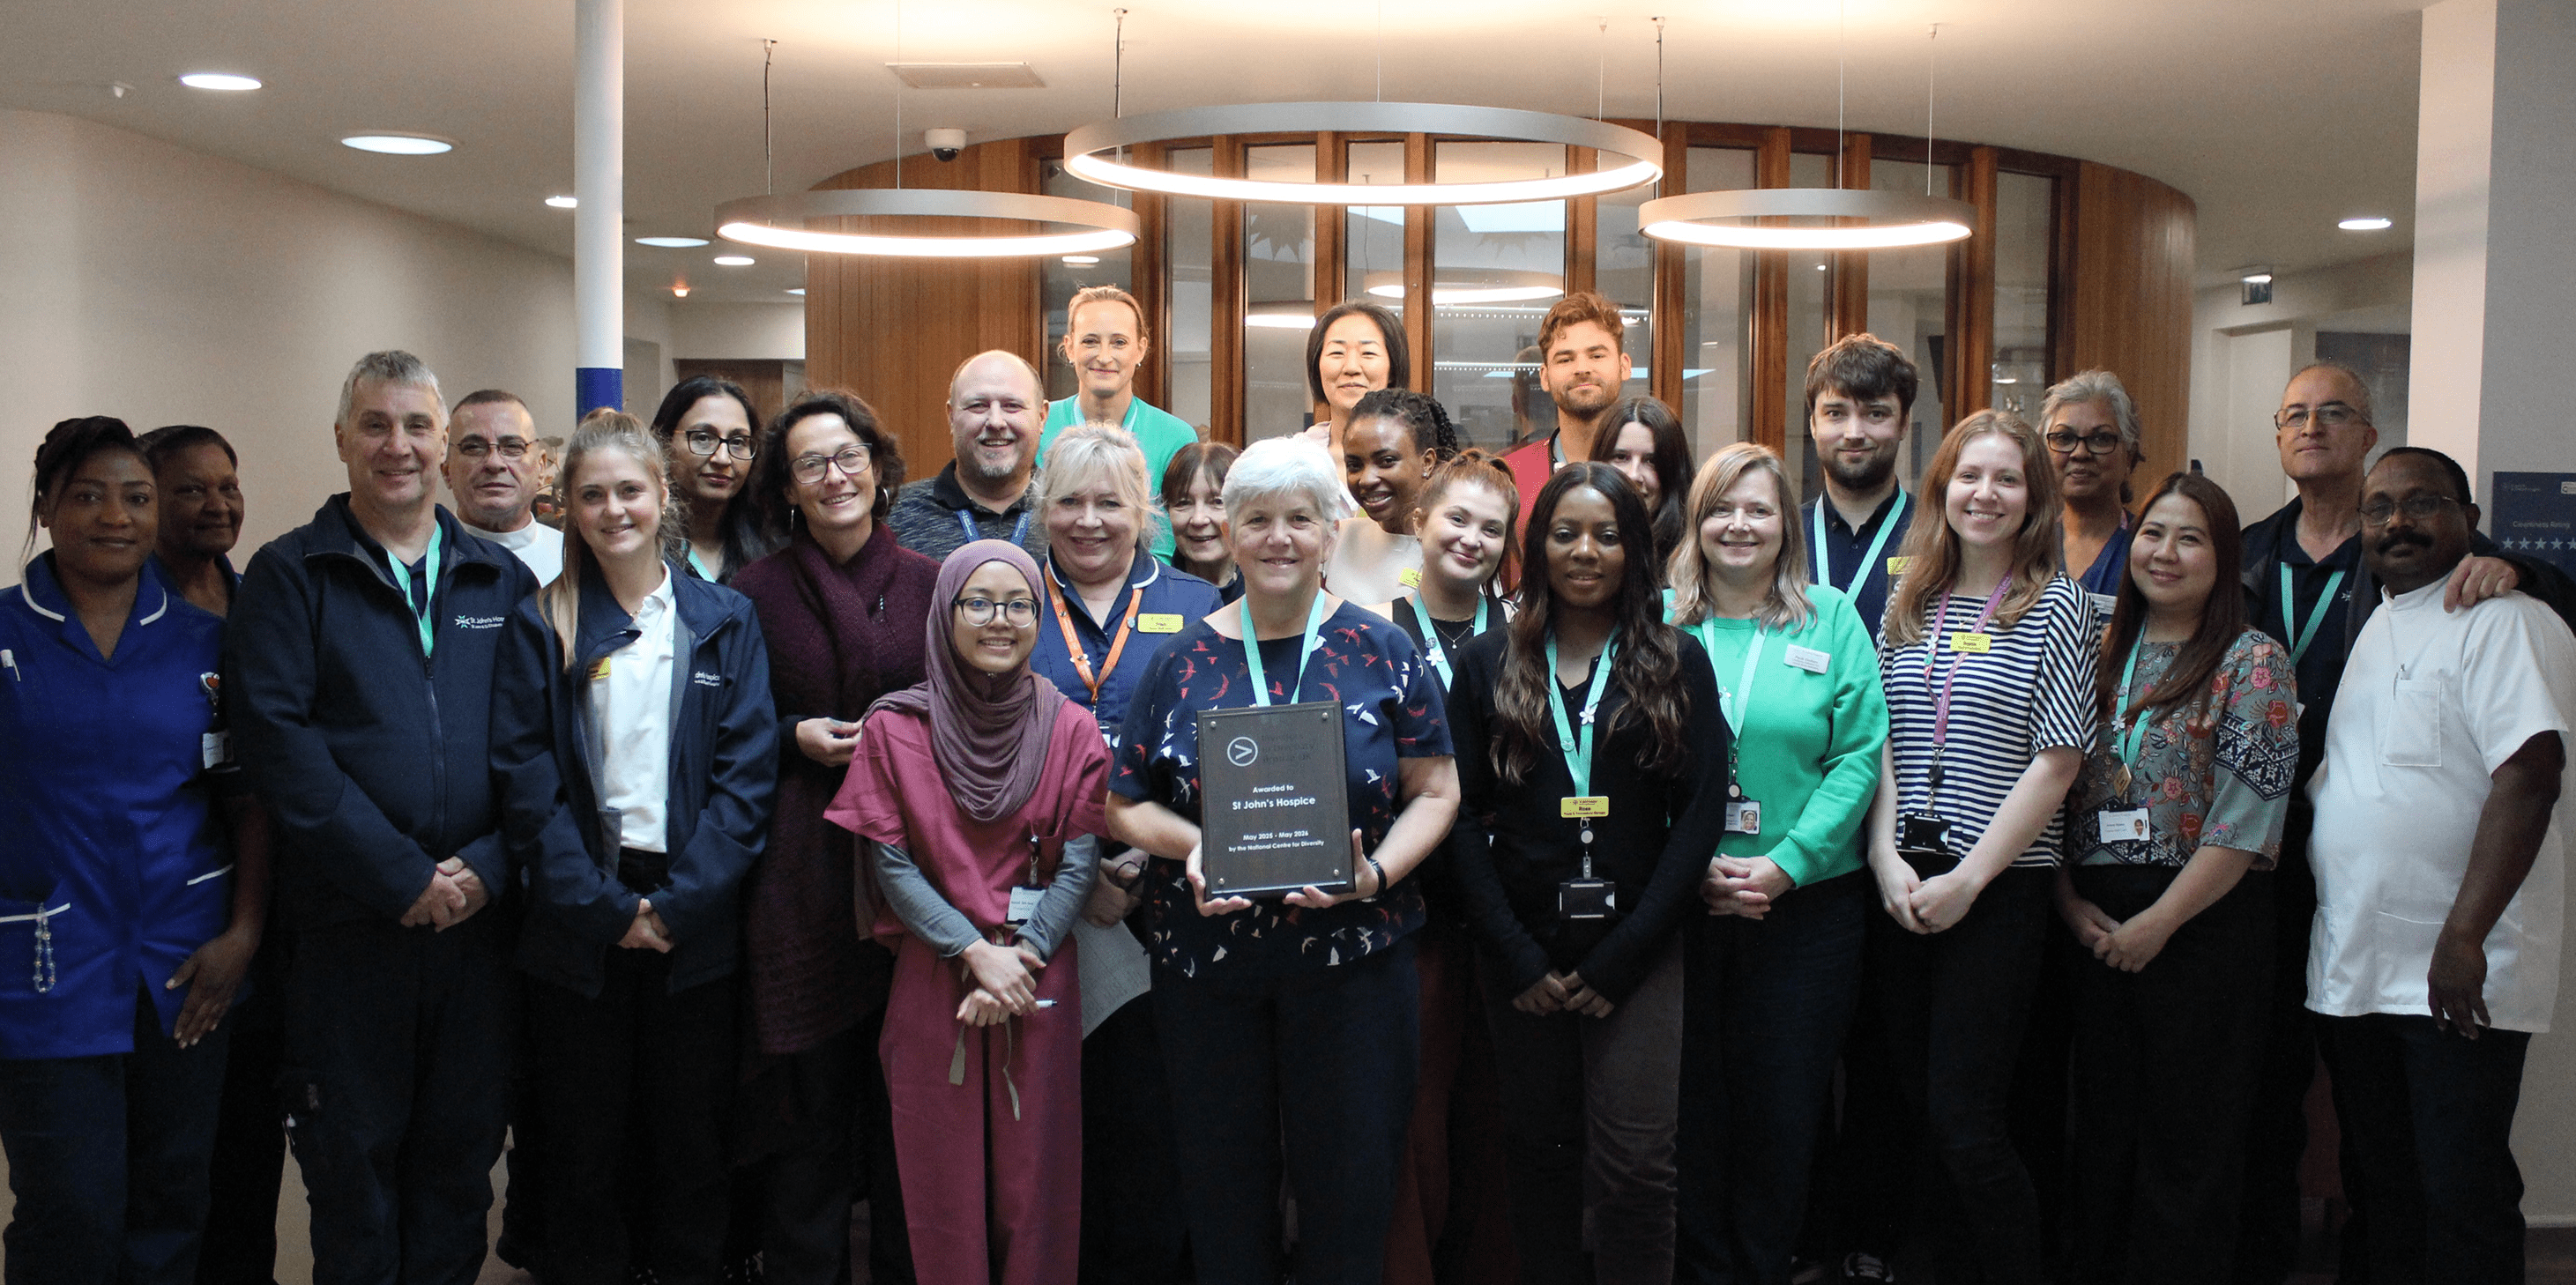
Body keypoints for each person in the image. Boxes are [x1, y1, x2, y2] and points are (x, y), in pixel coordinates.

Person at [2229, 362, 2574, 1282]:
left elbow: (2532, 777)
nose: (2397, 524)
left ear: (2469, 521)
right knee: (2383, 1178)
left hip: (2454, 963)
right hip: (2358, 958)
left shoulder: (2502, 615)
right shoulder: (2379, 614)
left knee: (2459, 1186)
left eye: (2423, 505)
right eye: (2382, 511)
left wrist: (2465, 936)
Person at [1105, 437, 1460, 1285]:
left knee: (1350, 1199)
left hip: (1354, 970)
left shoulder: (1384, 650)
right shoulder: (1179, 657)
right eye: (1256, 519)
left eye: (1300, 518)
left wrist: (1373, 874)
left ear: (1332, 530)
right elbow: (1120, 802)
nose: (1278, 538)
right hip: (1208, 973)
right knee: (1225, 1198)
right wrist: (1200, 846)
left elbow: (1438, 792)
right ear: (1226, 532)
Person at [227, 351, 539, 1282]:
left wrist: (487, 867)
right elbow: (281, 748)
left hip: (479, 941)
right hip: (346, 937)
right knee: (352, 1182)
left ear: (441, 442)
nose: (396, 446)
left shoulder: (500, 582)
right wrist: (400, 877)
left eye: (414, 426)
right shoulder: (289, 578)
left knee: (457, 1177)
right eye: (375, 425)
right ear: (341, 441)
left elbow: (536, 749)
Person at [488, 409, 778, 1285]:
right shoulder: (542, 623)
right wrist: (607, 912)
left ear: (663, 498)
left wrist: (678, 906)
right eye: (592, 496)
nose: (614, 509)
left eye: (629, 491)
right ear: (567, 509)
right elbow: (525, 782)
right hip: (580, 925)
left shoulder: (726, 620)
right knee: (583, 1150)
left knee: (691, 1145)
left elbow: (747, 778)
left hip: (695, 923)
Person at [0, 417, 265, 1284]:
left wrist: (243, 935)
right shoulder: (8, 639)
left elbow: (247, 797)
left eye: (136, 497)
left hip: (187, 966)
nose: (115, 516)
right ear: (44, 509)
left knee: (172, 1202)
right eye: (88, 495)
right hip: (45, 969)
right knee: (67, 1210)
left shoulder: (203, 644)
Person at [1442, 463, 1722, 1285]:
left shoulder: (1677, 659)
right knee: (1538, 1156)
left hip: (1639, 951)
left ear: (1636, 549)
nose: (1585, 552)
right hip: (1519, 954)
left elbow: (1700, 817)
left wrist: (1624, 957)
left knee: (1638, 1170)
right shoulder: (1488, 661)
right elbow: (1453, 815)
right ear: (1537, 547)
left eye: (1607, 535)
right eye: (1565, 533)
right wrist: (1516, 957)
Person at [825, 540, 1114, 1285]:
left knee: (1038, 1183)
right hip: (935, 976)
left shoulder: (1071, 728)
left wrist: (1018, 957)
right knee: (937, 1182)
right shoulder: (894, 728)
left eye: (1018, 604)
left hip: (1036, 975)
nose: (1000, 620)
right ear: (944, 612)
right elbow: (889, 864)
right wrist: (971, 952)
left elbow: (1078, 860)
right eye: (978, 603)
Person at [1864, 408, 2097, 1285]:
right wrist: (1887, 856)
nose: (1985, 494)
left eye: (2006, 478)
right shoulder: (1909, 599)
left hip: (1994, 887)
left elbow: (2057, 760)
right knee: (1918, 1108)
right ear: (1943, 487)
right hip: (1900, 880)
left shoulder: (2058, 604)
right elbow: (1877, 737)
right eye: (1970, 476)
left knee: (1970, 1121)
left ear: (2032, 496)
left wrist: (1968, 878)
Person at [2051, 472, 2296, 1282]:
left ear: (2224, 558)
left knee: (2190, 1136)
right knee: (2101, 1127)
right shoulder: (2091, 646)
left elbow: (2245, 819)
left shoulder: (2252, 660)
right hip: (2090, 919)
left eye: (2191, 538)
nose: (2165, 553)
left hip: (2203, 923)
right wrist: (2069, 902)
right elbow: (2047, 787)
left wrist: (2159, 924)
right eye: (2154, 533)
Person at [729, 390, 939, 1285]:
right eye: (810, 463)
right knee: (809, 1120)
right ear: (785, 488)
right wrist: (793, 737)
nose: (834, 476)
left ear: (879, 467)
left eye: (847, 456)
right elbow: (724, 731)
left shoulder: (936, 583)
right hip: (801, 875)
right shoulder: (751, 595)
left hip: (918, 871)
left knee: (906, 1116)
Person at [1667, 443, 1890, 1285]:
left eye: (1760, 509)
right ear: (1698, 521)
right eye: (1722, 507)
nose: (1740, 524)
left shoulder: (1829, 618)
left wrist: (1788, 863)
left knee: (1782, 1108)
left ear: (1783, 525)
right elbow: (1632, 762)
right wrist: (1693, 869)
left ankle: (1764, 1266)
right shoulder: (1659, 619)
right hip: (1687, 905)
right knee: (1695, 1106)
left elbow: (1861, 756)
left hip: (1806, 910)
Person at [1026, 424, 1217, 1285]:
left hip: (1173, 902)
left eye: (1111, 502)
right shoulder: (1009, 597)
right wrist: (1075, 870)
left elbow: (1223, 754)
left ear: (1146, 512)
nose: (1090, 520)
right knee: (1062, 1127)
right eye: (1070, 500)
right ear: (1042, 508)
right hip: (1040, 898)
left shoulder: (1203, 604)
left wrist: (1143, 861)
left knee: (1158, 1124)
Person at [1790, 331, 1924, 1285]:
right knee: (1797, 1058)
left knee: (1888, 1050)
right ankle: (1804, 1234)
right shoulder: (1775, 531)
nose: (1856, 429)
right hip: (1795, 828)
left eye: (1876, 413)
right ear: (1811, 423)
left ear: (1905, 426)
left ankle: (1878, 1236)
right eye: (1838, 411)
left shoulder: (1939, 535)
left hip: (1909, 820)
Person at [1368, 449, 1520, 1285]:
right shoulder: (1371, 631)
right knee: (1414, 1114)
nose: (1471, 538)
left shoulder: (1527, 631)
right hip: (1410, 903)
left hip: (1503, 908)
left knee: (1495, 1117)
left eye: (1491, 529)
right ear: (1419, 521)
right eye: (1456, 519)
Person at [1036, 286, 1199, 556]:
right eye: (1090, 341)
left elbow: (1168, 547)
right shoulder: (1037, 426)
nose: (1104, 356)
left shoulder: (1176, 438)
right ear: (1069, 348)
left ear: (1141, 350)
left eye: (1119, 342)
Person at [890, 351, 1053, 566]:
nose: (996, 422)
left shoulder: (1073, 513)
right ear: (951, 416)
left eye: (1012, 406)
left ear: (1042, 417)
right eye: (978, 405)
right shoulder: (895, 516)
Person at [1500, 292, 1633, 519]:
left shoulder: (1651, 475)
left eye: (1597, 355)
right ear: (1544, 376)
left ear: (1624, 366)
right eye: (1565, 359)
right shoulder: (1508, 477)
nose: (1582, 368)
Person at [1324, 389, 1457, 605]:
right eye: (1354, 465)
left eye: (1386, 461)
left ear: (1427, 462)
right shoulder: (1335, 540)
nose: (1366, 480)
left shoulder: (1458, 547)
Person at [650, 375, 779, 584]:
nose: (722, 458)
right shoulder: (640, 546)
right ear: (663, 441)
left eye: (738, 442)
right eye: (703, 438)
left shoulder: (774, 548)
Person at [2040, 371, 2141, 617]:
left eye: (2100, 438)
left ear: (2129, 456)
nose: (2080, 453)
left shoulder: (2149, 550)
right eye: (2064, 438)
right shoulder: (2023, 546)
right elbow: (1977, 639)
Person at [443, 389, 565, 583]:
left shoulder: (574, 561)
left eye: (513, 447)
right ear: (446, 470)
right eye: (474, 447)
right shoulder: (420, 563)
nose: (494, 463)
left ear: (541, 467)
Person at [137, 425, 245, 618]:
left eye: (228, 487)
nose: (219, 507)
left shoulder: (264, 597)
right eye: (193, 491)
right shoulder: (123, 605)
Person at [1590, 395, 1692, 576]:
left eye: (1651, 461)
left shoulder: (1694, 561)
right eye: (1621, 457)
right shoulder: (1577, 548)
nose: (1634, 475)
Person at [1295, 300, 1410, 459]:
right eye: (1337, 353)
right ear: (1317, 366)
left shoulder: (1421, 463)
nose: (1351, 368)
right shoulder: (1289, 461)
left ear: (1393, 369)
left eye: (1368, 353)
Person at [1161, 441, 1239, 602]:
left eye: (1217, 502)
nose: (1198, 519)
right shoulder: (1151, 596)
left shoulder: (1268, 592)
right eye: (1183, 503)